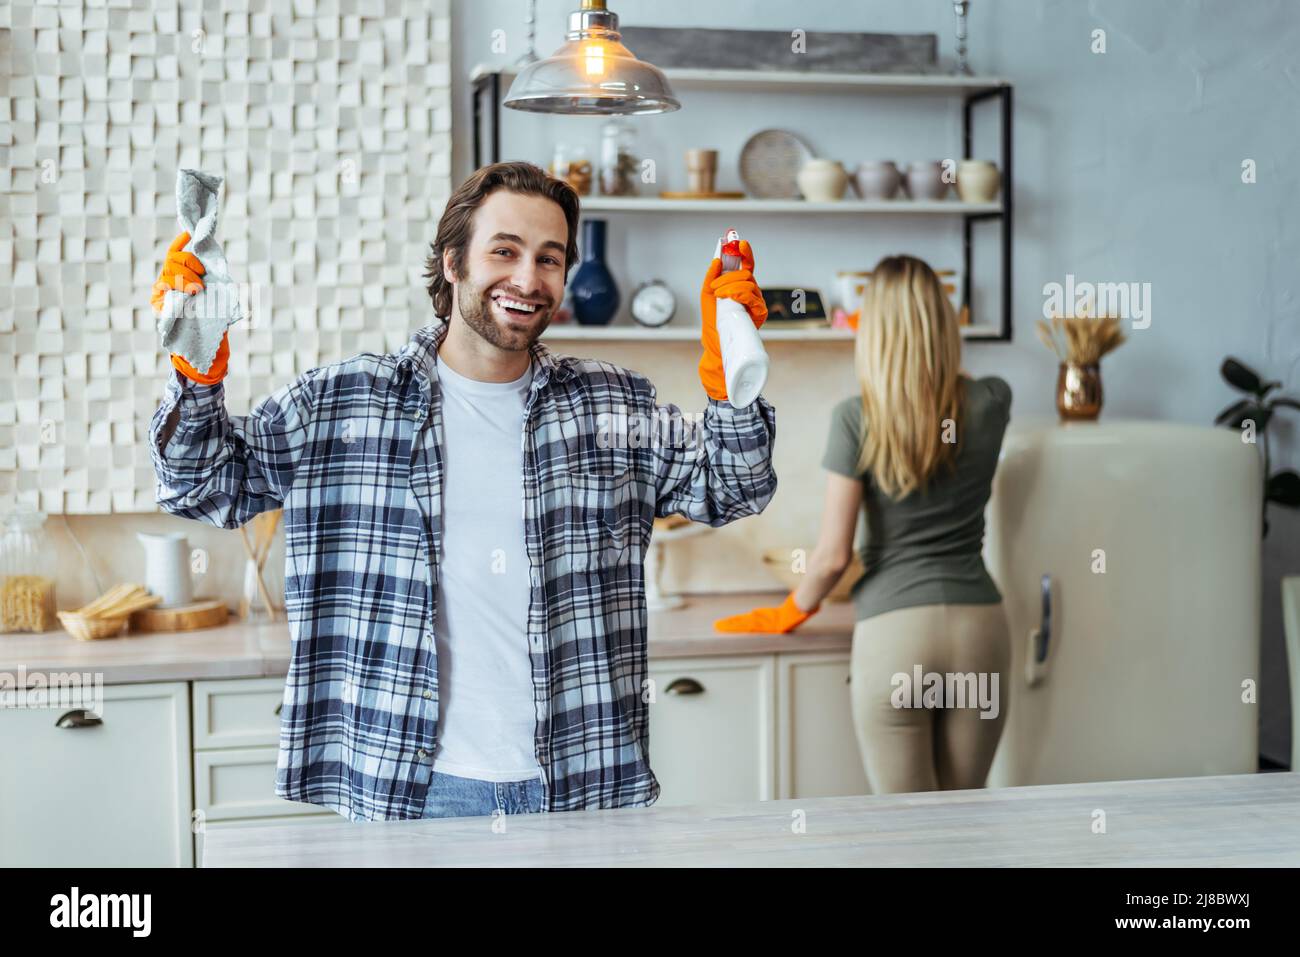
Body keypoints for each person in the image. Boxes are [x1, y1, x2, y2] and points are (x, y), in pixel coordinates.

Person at [149, 161, 775, 821]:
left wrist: (730, 379)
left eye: (550, 258)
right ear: (452, 262)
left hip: (584, 784)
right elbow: (199, 484)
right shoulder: (340, 404)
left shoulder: (613, 402)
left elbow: (734, 484)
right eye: (504, 251)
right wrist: (196, 368)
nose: (529, 279)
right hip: (415, 788)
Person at [714, 255, 1012, 795]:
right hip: (980, 630)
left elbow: (832, 557)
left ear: (874, 331)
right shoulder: (992, 399)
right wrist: (934, 359)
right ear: (944, 324)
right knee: (967, 823)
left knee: (905, 835)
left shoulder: (856, 417)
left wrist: (789, 611)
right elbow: (957, 388)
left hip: (895, 636)